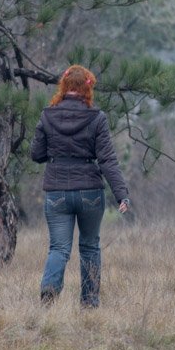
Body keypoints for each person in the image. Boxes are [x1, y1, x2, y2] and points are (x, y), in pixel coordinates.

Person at [30, 65, 130, 307]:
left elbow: (36, 154)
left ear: (63, 86)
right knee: (89, 247)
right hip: (89, 192)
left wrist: (56, 153)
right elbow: (107, 160)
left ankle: (50, 288)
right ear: (88, 87)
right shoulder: (96, 118)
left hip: (56, 191)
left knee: (59, 247)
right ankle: (89, 302)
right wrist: (121, 195)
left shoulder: (47, 115)